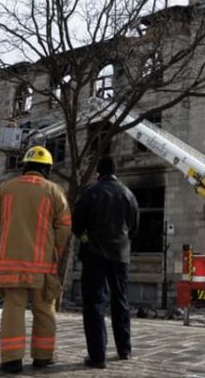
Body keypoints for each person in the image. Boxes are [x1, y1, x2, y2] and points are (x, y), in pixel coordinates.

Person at [0, 145, 71, 374]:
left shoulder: (5, 188)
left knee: (13, 309)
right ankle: (43, 357)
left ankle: (11, 360)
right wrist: (56, 252)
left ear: (25, 166)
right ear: (47, 169)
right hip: (42, 266)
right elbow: (64, 228)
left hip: (10, 263)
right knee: (44, 310)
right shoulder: (54, 191)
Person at [72, 156, 139, 369]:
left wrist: (85, 237)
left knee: (94, 303)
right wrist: (123, 241)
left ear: (98, 172)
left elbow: (77, 225)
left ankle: (98, 355)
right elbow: (134, 226)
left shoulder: (90, 192)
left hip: (94, 254)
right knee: (121, 301)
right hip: (120, 255)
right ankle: (124, 350)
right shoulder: (128, 194)